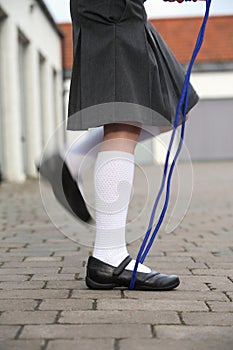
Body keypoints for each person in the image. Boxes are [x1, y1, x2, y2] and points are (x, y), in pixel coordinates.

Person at [40, 0, 199, 290]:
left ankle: (73, 159)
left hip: (127, 12)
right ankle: (108, 256)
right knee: (124, 119)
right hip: (114, 10)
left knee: (176, 106)